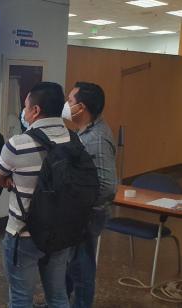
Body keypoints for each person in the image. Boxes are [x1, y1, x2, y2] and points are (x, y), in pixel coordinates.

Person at [0, 82, 71, 308]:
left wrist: (15, 180)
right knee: (57, 295)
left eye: (26, 107)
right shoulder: (74, 140)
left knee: (20, 296)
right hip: (62, 231)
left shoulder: (18, 144)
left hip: (24, 232)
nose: (24, 112)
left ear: (35, 111)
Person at [64, 82, 117, 308]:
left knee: (82, 267)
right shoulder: (85, 132)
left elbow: (107, 186)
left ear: (81, 107)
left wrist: (80, 205)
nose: (66, 105)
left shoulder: (96, 138)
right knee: (72, 263)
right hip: (80, 212)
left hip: (88, 214)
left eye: (70, 101)